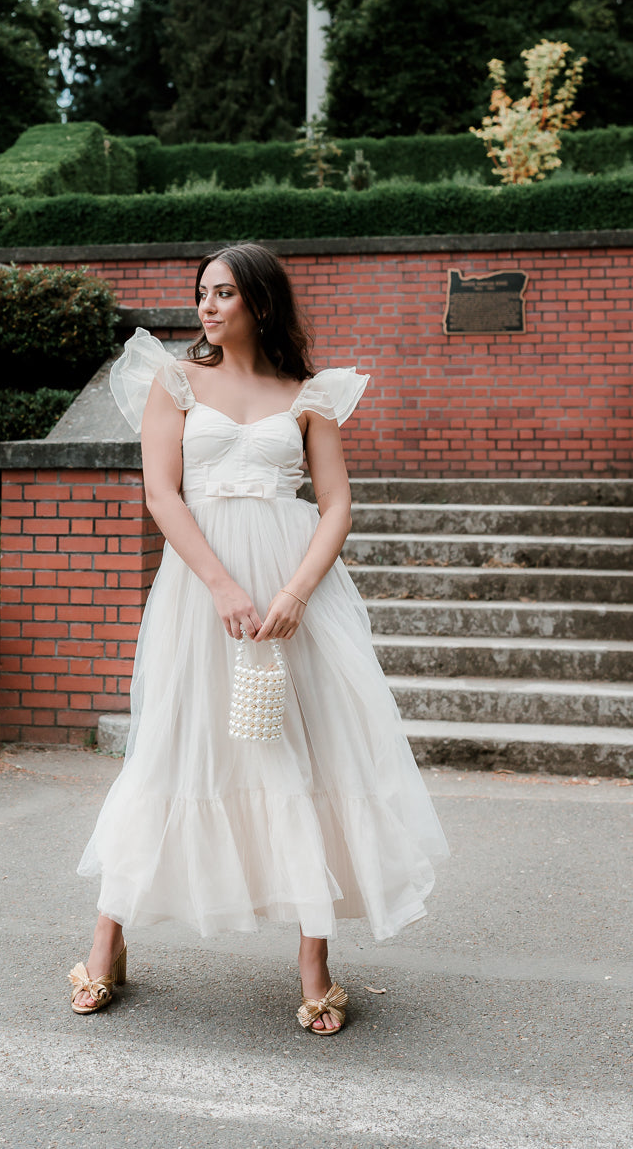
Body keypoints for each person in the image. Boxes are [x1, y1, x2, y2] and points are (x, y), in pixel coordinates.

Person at [70, 243, 449, 1034]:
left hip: (293, 595)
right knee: (173, 747)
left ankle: (314, 962)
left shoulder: (309, 393)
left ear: (261, 303)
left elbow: (336, 504)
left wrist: (294, 593)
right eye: (202, 292)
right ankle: (105, 941)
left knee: (314, 751)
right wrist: (221, 585)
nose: (207, 307)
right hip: (201, 592)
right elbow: (162, 493)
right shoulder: (172, 382)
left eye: (224, 294)